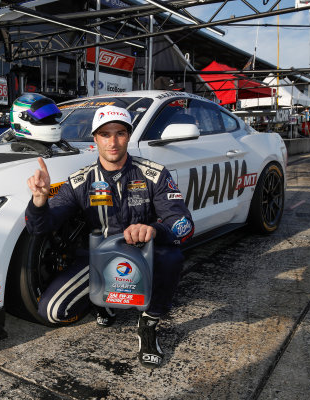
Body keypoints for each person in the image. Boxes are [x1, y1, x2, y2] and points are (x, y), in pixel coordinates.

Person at [25, 102, 194, 368]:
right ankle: (104, 302)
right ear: (95, 139)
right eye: (105, 134)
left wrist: (154, 230)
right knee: (53, 312)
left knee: (170, 256)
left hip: (143, 253)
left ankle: (149, 323)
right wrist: (38, 201)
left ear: (128, 136)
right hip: (99, 257)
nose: (113, 141)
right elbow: (40, 227)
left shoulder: (154, 173)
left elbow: (184, 225)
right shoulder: (80, 181)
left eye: (120, 133)